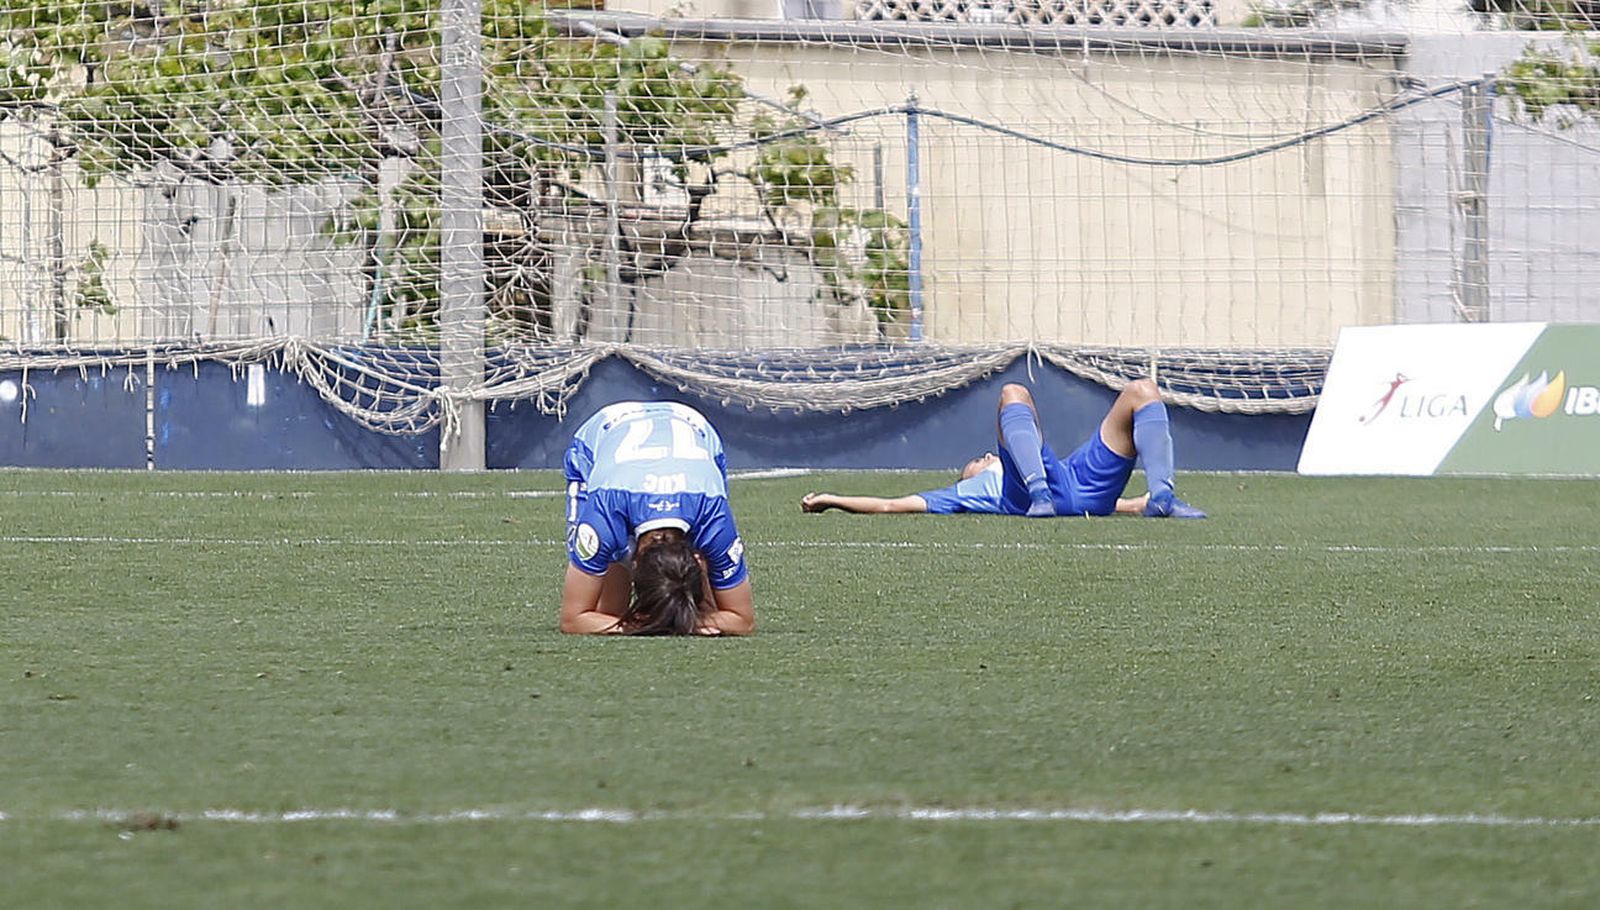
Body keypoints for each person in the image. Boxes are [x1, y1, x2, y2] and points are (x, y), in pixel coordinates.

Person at [800, 380, 1207, 520]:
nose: (983, 457)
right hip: (1028, 495)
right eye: (974, 462)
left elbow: (1113, 505)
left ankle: (1164, 497)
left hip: (1073, 482)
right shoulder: (965, 494)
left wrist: (1140, 503)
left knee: (1141, 392)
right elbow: (889, 505)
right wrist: (832, 499)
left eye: (983, 455)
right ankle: (1039, 495)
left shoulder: (1041, 464)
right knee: (1012, 392)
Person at [559, 401, 755, 636]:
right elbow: (574, 620)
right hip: (603, 431)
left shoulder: (712, 517)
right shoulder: (605, 516)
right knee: (611, 608)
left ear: (695, 555)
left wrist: (686, 619)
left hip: (693, 423)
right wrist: (653, 623)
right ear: (633, 563)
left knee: (703, 603)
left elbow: (742, 620)